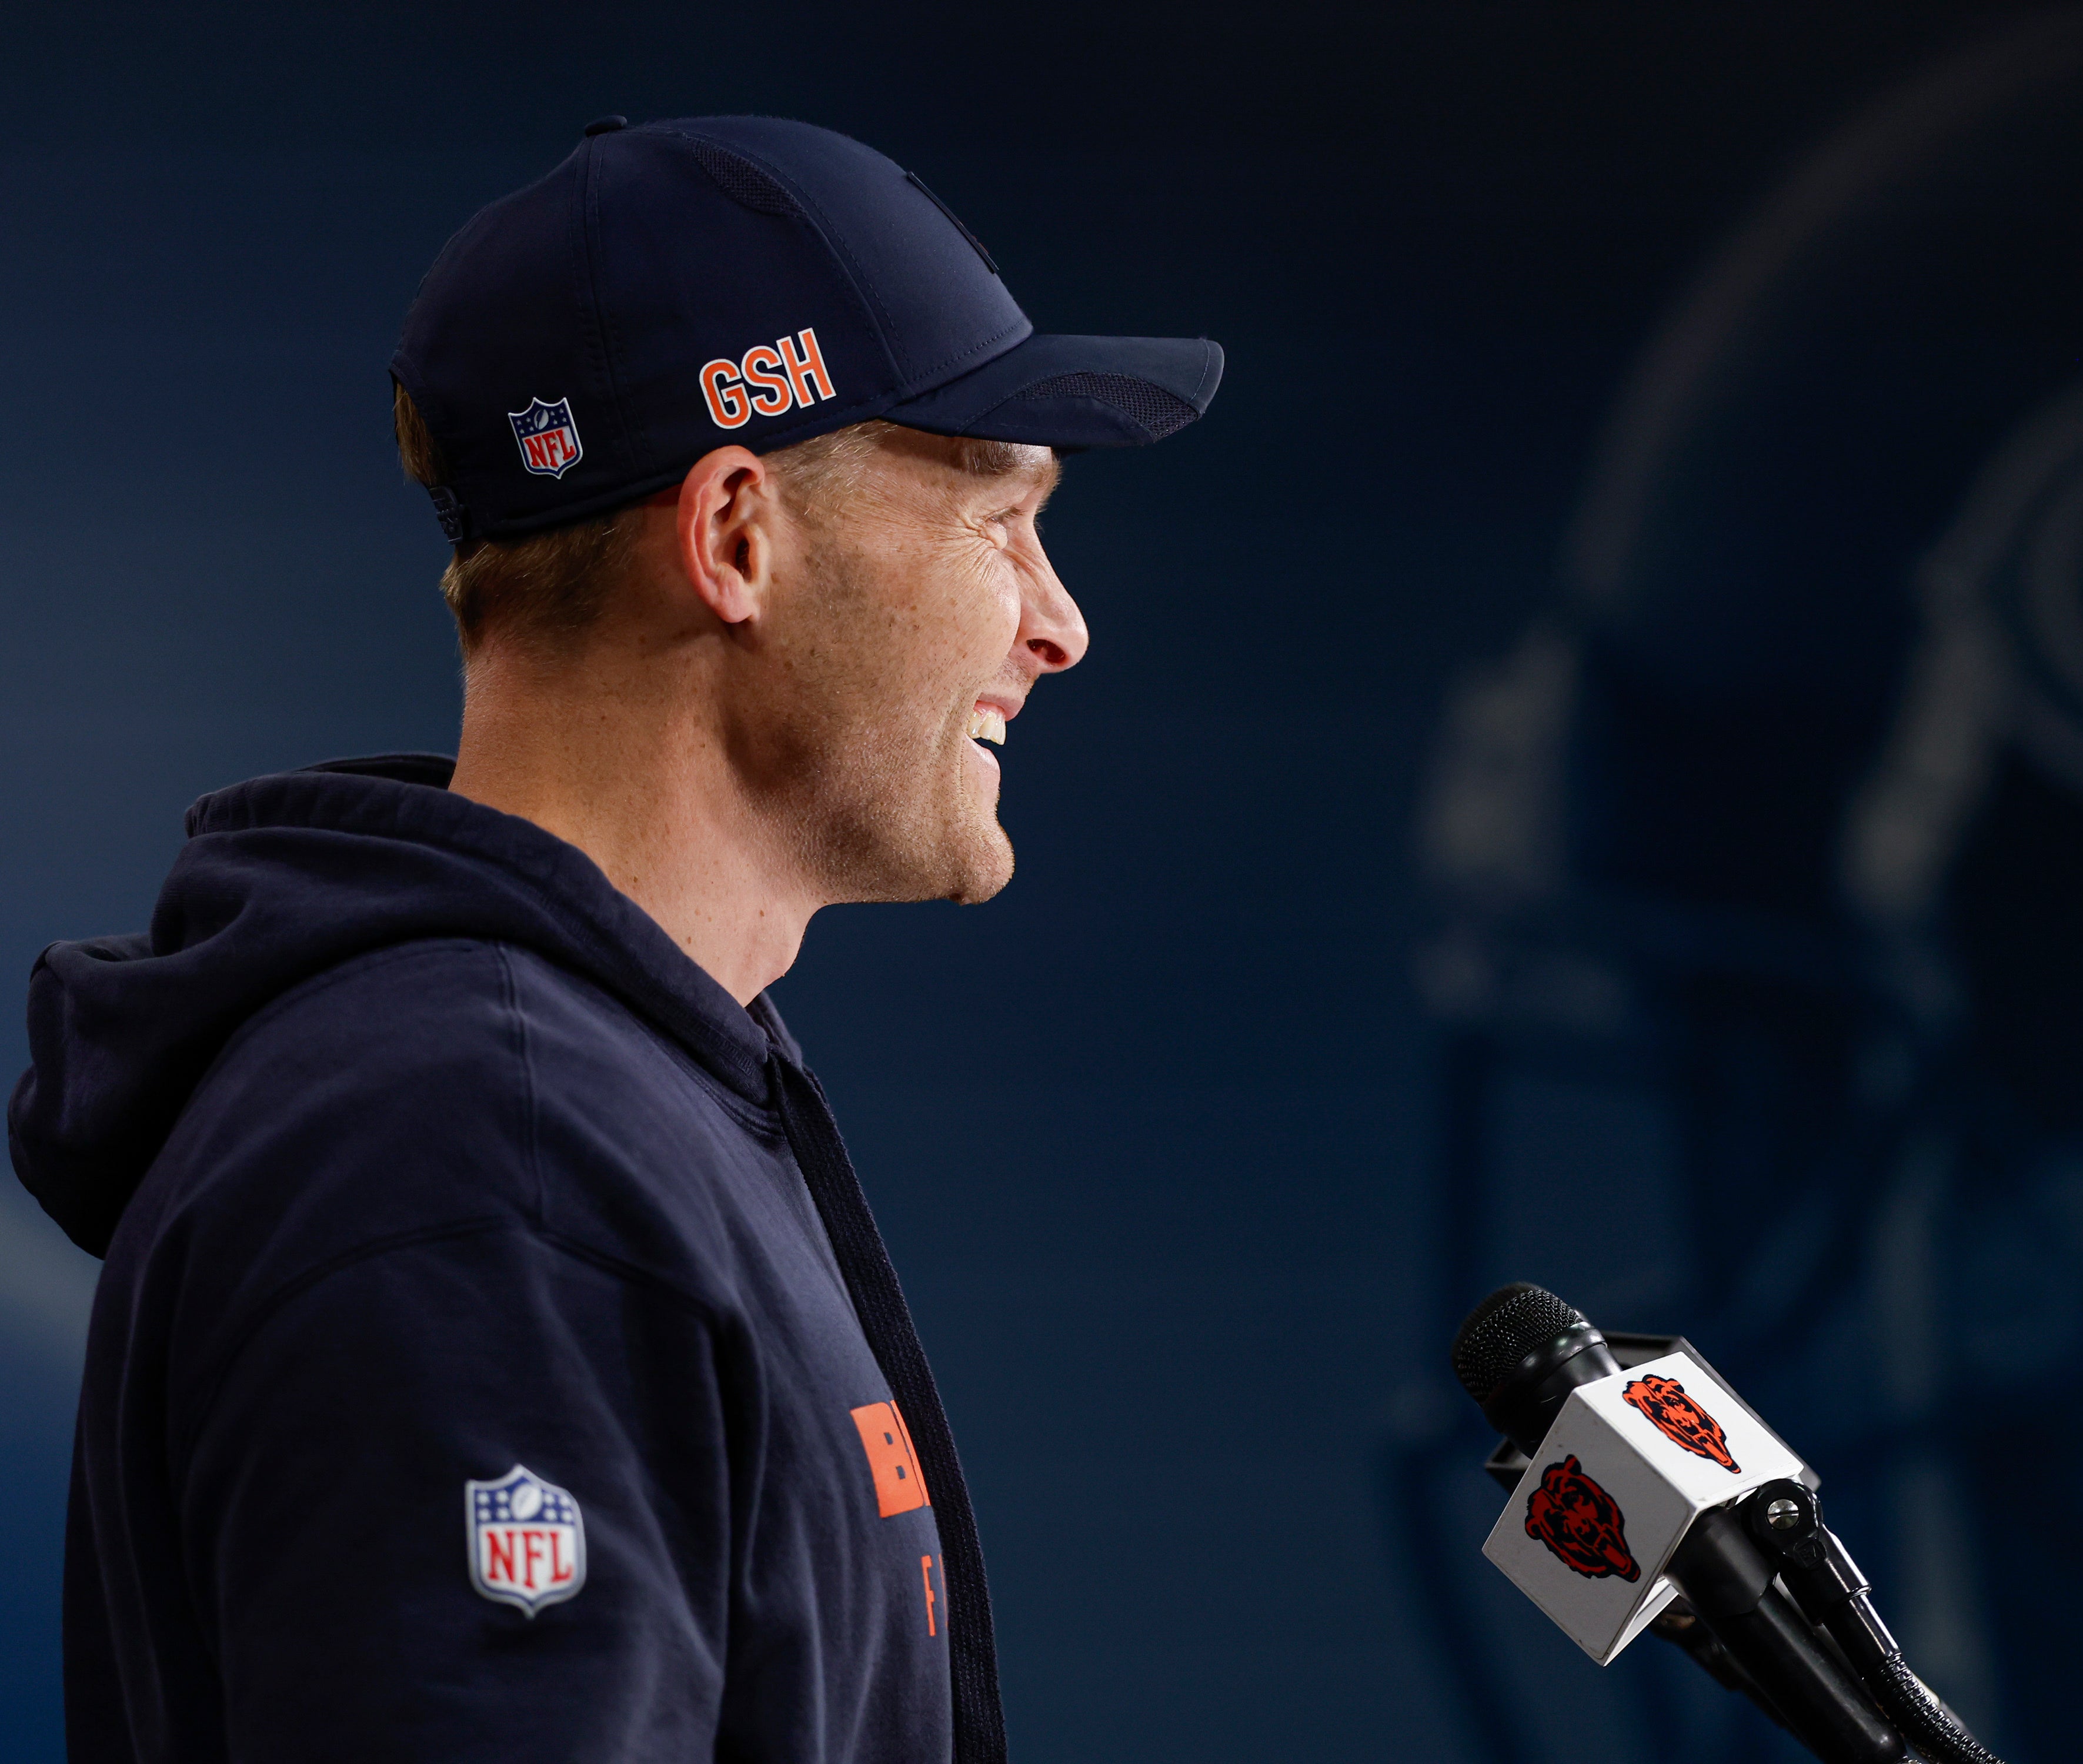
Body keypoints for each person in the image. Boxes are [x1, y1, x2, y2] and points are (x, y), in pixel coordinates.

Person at [6, 114, 1219, 1762]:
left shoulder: (592, 1100)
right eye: (997, 519)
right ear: (735, 539)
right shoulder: (482, 1156)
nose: (1057, 624)